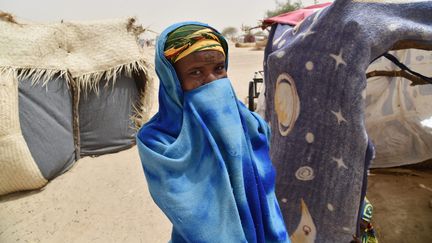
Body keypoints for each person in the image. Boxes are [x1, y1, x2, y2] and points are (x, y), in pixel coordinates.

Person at [136, 22, 289, 243]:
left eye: (219, 69)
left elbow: (267, 194)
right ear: (172, 81)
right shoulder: (158, 140)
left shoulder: (250, 123)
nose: (212, 81)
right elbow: (194, 218)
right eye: (195, 72)